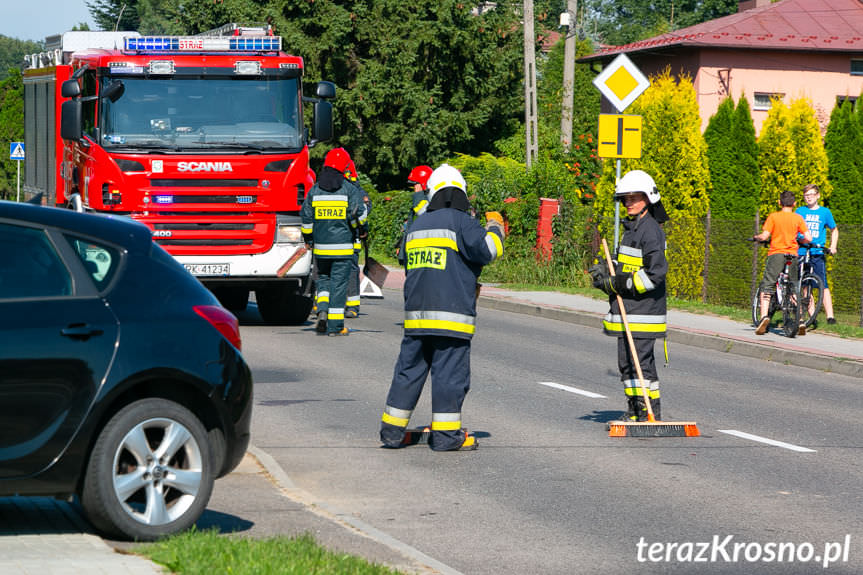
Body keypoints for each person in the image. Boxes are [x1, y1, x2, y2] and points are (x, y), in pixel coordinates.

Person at [380, 164, 505, 451]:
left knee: (408, 372)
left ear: (433, 192)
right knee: (449, 376)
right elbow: (488, 251)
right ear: (460, 192)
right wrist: (495, 227)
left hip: (416, 318)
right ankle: (447, 437)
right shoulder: (462, 223)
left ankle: (392, 432)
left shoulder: (417, 225)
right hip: (451, 318)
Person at [588, 170, 670, 422]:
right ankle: (635, 408)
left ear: (649, 198)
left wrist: (620, 283)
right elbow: (627, 266)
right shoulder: (632, 229)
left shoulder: (650, 231)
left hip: (644, 312)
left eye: (635, 197)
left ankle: (649, 410)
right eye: (626, 198)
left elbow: (655, 274)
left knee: (641, 363)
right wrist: (607, 270)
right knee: (627, 364)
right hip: (629, 311)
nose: (629, 202)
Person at [301, 148, 368, 336]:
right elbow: (359, 215)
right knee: (338, 285)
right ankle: (336, 326)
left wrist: (309, 239)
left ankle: (322, 310)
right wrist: (361, 230)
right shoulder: (349, 190)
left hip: (321, 249)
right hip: (343, 250)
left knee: (323, 280)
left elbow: (306, 218)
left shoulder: (315, 189)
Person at [752, 190, 812, 335]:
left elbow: (765, 235)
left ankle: (764, 318)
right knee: (793, 286)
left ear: (779, 203)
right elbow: (808, 238)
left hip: (777, 253)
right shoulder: (798, 218)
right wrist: (801, 241)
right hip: (792, 255)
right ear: (794, 204)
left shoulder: (774, 216)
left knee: (768, 284)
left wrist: (757, 237)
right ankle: (801, 319)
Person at [796, 183, 838, 325]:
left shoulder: (825, 212)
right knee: (805, 285)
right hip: (802, 251)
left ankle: (830, 317)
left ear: (818, 195)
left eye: (812, 195)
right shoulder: (800, 211)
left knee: (822, 284)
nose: (809, 198)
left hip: (817, 252)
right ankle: (811, 316)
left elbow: (834, 230)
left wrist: (833, 246)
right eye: (806, 195)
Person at [344, 159, 370, 319]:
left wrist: (362, 230)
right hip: (339, 238)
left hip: (352, 239)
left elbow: (364, 212)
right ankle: (322, 304)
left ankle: (353, 305)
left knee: (351, 270)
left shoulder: (358, 192)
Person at [397, 165, 433, 266]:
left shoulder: (427, 200)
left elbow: (420, 211)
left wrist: (419, 193)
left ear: (423, 184)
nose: (414, 188)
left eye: (416, 184)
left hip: (420, 252)